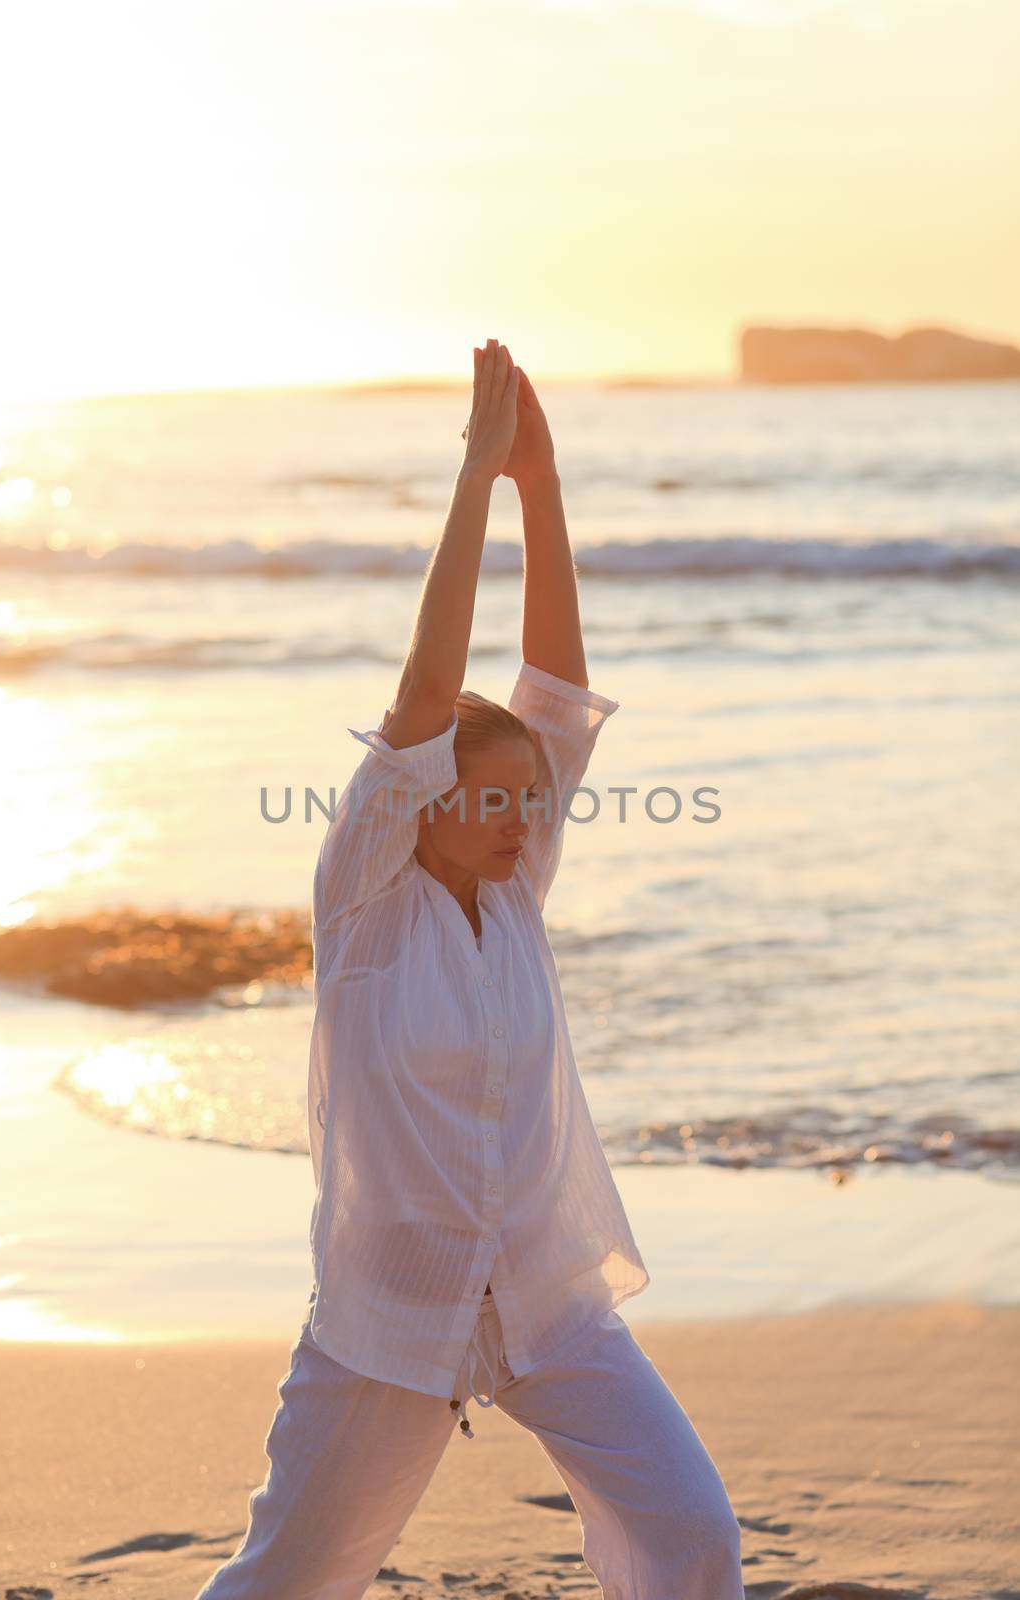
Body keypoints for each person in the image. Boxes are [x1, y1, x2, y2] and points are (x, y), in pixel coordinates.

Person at [194, 340, 744, 1599]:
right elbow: (428, 690)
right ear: (419, 800)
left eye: (527, 803)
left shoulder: (514, 886)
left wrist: (541, 489)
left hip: (549, 1297)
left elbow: (551, 694)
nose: (518, 819)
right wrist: (474, 479)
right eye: (487, 797)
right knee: (281, 1579)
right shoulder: (364, 908)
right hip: (390, 1320)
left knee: (691, 1538)